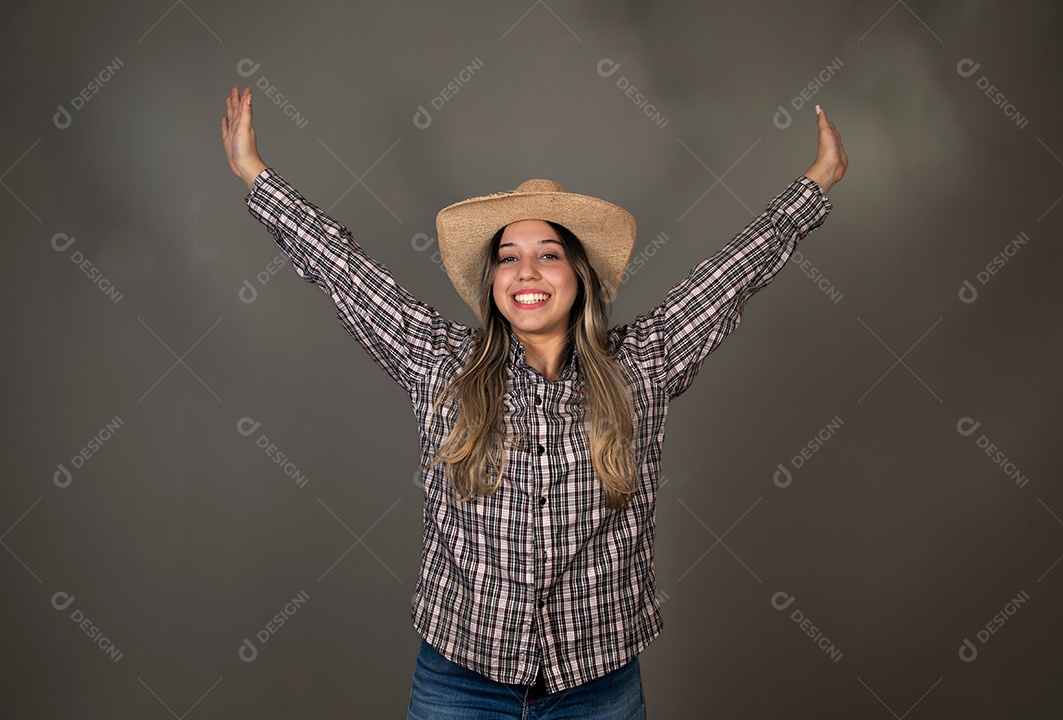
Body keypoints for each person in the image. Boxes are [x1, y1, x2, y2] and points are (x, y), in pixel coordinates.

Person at [221, 84, 847, 719]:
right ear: (492, 282)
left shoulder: (643, 366)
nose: (526, 273)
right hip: (460, 681)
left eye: (548, 256)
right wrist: (254, 173)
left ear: (579, 278)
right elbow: (343, 269)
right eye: (508, 259)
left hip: (598, 686)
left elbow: (734, 274)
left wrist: (817, 183)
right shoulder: (441, 366)